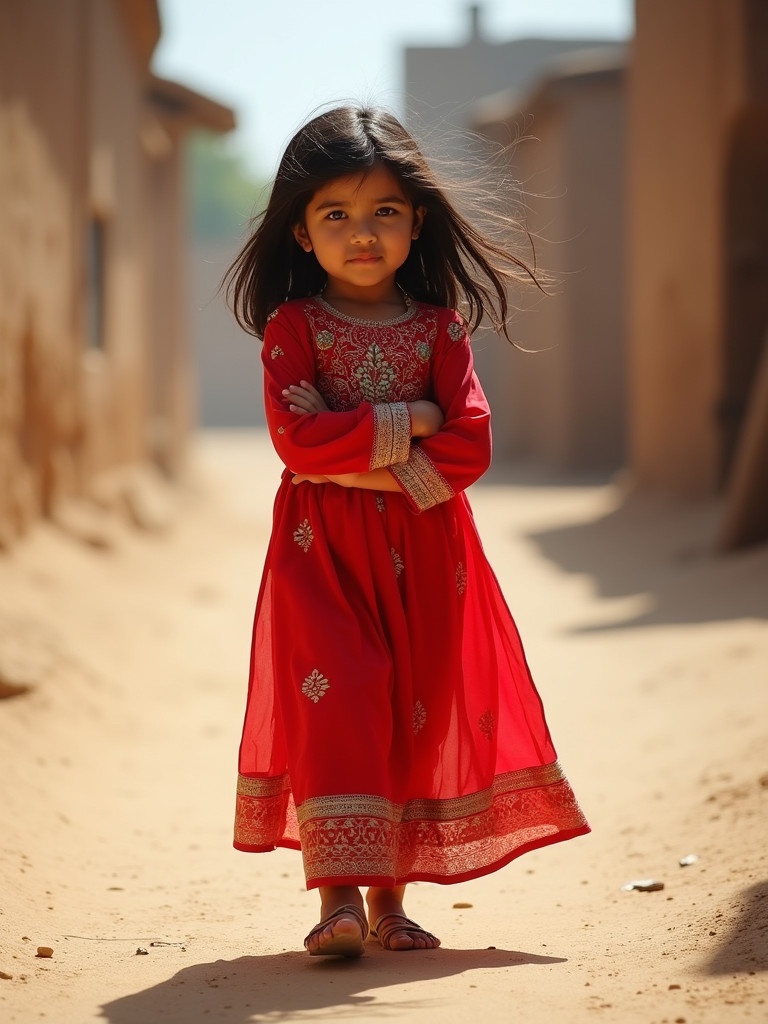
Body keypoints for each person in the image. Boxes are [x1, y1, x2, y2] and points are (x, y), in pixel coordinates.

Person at [226, 105, 589, 958]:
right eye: (336, 215)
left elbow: (469, 446)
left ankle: (390, 905)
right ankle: (338, 900)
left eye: (384, 211)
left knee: (407, 711)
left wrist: (355, 447)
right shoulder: (293, 329)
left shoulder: (440, 329)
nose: (363, 234)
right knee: (338, 700)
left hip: (428, 553)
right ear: (302, 232)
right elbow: (292, 441)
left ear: (416, 221)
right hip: (320, 557)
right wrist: (411, 419)